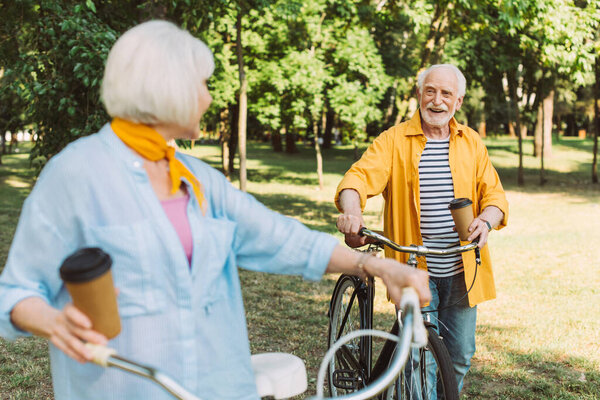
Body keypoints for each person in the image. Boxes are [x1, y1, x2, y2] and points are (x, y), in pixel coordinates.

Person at [0, 21, 430, 400]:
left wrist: (375, 266)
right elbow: (15, 293)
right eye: (201, 85)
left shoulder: (198, 179)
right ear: (167, 88)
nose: (208, 98)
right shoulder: (75, 174)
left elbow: (281, 239)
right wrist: (55, 322)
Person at [335, 64, 508, 394]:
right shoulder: (394, 140)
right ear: (419, 95)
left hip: (462, 268)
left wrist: (486, 220)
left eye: (446, 94)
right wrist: (352, 212)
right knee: (420, 359)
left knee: (458, 357)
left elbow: (495, 196)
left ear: (458, 102)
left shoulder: (471, 142)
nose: (437, 101)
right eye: (430, 91)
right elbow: (356, 179)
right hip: (414, 268)